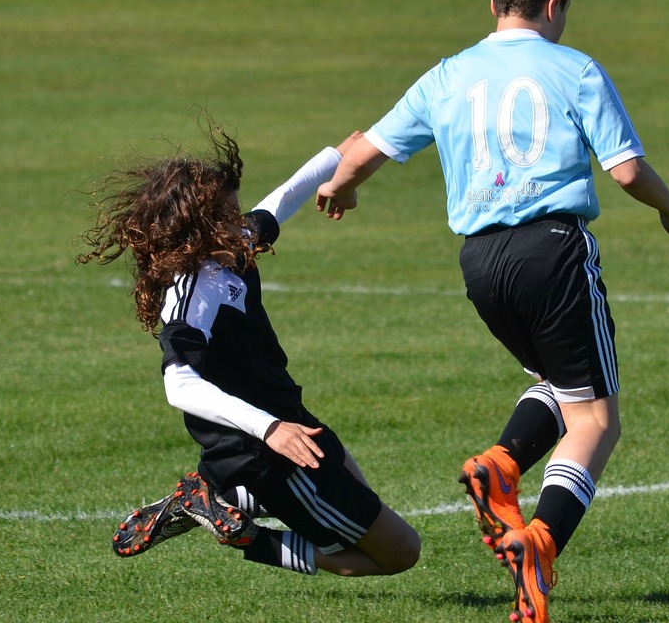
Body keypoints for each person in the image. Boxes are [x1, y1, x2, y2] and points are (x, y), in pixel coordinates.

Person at [316, 0, 669, 623]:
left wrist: (342, 188)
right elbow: (624, 169)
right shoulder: (575, 69)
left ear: (493, 2)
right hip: (553, 250)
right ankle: (541, 540)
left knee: (558, 382)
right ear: (555, 6)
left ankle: (501, 465)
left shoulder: (447, 75)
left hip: (480, 263)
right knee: (596, 418)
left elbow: (363, 154)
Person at [78, 127, 421, 579]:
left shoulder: (229, 244)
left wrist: (343, 155)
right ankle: (247, 535)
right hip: (264, 451)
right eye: (230, 214)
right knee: (400, 552)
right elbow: (179, 385)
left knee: (360, 495)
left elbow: (281, 200)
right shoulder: (193, 289)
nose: (242, 222)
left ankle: (211, 496)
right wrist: (270, 428)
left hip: (289, 419)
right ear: (200, 225)